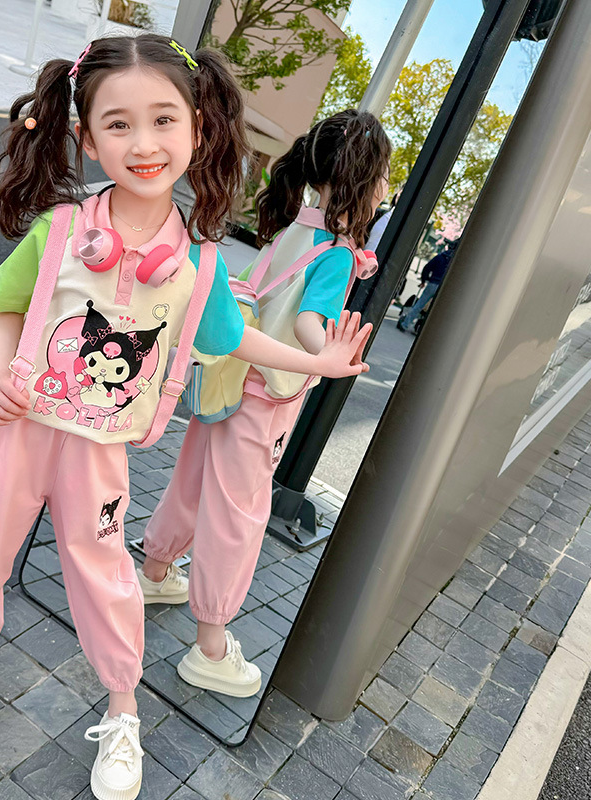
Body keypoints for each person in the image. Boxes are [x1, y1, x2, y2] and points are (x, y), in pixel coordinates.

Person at [0, 36, 371, 800]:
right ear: (87, 138)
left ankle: (123, 708)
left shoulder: (201, 265)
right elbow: (2, 306)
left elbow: (231, 338)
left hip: (99, 449)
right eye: (118, 124)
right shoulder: (59, 230)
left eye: (163, 119)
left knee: (106, 574)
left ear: (199, 128)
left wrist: (320, 364)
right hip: (13, 430)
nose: (143, 143)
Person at [137, 109, 391, 698]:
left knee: (192, 482)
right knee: (240, 515)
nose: (385, 186)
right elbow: (307, 324)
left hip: (225, 381)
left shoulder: (290, 232)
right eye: (382, 174)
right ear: (360, 179)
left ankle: (156, 570)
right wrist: (331, 355)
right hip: (264, 400)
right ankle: (210, 648)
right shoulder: (335, 254)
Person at [398, 237, 460, 333]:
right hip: (444, 287)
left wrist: (424, 280)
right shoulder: (456, 261)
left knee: (419, 305)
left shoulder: (440, 257)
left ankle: (405, 324)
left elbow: (427, 268)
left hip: (433, 283)